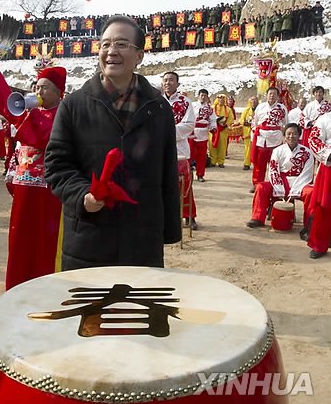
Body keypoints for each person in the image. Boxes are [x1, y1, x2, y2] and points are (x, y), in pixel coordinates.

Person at [45, 15, 181, 270]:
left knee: (139, 308)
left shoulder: (158, 108)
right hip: (89, 238)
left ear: (139, 55)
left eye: (121, 44)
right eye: (105, 44)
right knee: (90, 309)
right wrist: (82, 194)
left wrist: (168, 230)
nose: (111, 52)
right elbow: (56, 165)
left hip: (142, 239)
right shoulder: (74, 105)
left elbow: (167, 173)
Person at [0, 64, 65, 289]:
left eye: (45, 88)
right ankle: (18, 282)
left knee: (45, 237)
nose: (39, 92)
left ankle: (45, 283)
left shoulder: (63, 114)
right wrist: (12, 171)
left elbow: (43, 137)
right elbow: (18, 144)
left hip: (48, 187)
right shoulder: (30, 113)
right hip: (25, 185)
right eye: (36, 87)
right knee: (20, 237)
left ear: (59, 93)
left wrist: (23, 119)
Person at [247, 123, 314, 228]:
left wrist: (295, 189)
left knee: (312, 192)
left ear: (299, 135)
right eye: (288, 134)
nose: (291, 136)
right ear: (284, 136)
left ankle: (310, 224)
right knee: (261, 187)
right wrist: (279, 187)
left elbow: (307, 173)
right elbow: (273, 170)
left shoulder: (307, 152)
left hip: (299, 183)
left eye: (294, 134)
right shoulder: (278, 150)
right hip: (280, 181)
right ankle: (257, 218)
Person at [162, 71, 198, 230]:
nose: (168, 83)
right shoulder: (155, 101)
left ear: (177, 83)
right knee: (160, 185)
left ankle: (189, 215)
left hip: (179, 150)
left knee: (184, 184)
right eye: (165, 80)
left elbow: (189, 124)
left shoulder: (185, 102)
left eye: (171, 80)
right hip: (159, 149)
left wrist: (167, 132)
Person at [307, 93, 331, 259]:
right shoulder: (325, 118)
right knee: (324, 207)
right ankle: (319, 244)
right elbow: (313, 139)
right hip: (330, 166)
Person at [250, 87, 288, 192]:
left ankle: (275, 184)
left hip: (276, 139)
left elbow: (286, 124)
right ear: (267, 95)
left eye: (274, 94)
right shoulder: (260, 107)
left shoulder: (282, 108)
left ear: (277, 96)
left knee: (275, 163)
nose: (272, 95)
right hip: (262, 138)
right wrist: (254, 135)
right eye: (270, 93)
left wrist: (285, 137)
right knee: (259, 164)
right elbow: (255, 122)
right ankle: (256, 183)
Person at [190, 88, 216, 181]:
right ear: (198, 96)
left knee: (201, 156)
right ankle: (188, 173)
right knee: (189, 154)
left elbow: (212, 120)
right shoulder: (191, 105)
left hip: (203, 133)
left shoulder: (209, 109)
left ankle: (200, 174)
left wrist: (213, 127)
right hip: (191, 132)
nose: (203, 97)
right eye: (201, 95)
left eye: (205, 96)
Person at [209, 94, 234, 168]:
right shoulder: (212, 108)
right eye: (219, 98)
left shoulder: (228, 109)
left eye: (223, 99)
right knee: (212, 145)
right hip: (213, 131)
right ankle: (213, 161)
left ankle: (221, 161)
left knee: (222, 146)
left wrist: (225, 124)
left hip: (223, 130)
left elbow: (231, 118)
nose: (221, 100)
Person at [239, 96, 258, 170]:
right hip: (247, 132)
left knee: (257, 149)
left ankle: (256, 164)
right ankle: (246, 164)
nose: (253, 102)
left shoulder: (260, 110)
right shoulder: (246, 111)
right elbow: (241, 120)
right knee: (247, 149)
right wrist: (246, 123)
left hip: (257, 133)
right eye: (252, 100)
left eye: (255, 100)